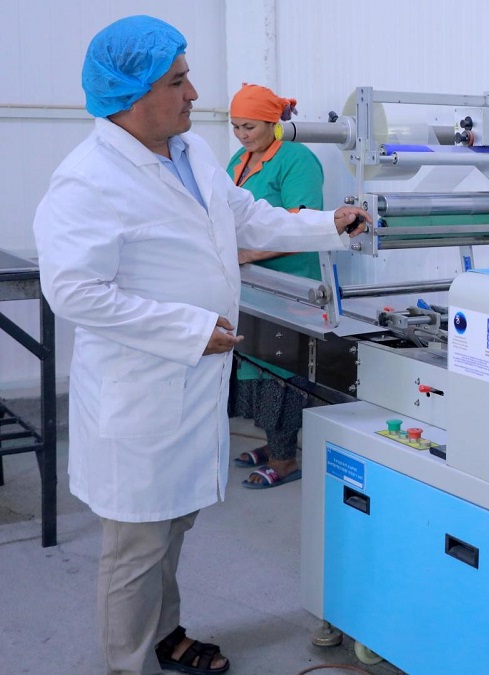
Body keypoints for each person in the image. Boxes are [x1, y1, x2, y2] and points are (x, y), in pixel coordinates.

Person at [32, 16, 369, 675]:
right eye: (178, 81)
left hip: (188, 388)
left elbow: (248, 216)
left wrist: (331, 223)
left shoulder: (188, 155)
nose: (193, 94)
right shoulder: (88, 180)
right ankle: (125, 662)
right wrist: (186, 329)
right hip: (142, 392)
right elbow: (74, 292)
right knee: (136, 544)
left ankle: (167, 634)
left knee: (172, 525)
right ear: (132, 96)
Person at [225, 83, 324, 489]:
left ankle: (285, 459)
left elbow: (303, 222)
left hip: (290, 284)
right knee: (253, 365)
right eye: (236, 127)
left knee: (280, 372)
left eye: (249, 126)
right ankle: (271, 443)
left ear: (272, 122)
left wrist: (246, 254)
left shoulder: (298, 160)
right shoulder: (240, 160)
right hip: (250, 285)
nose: (242, 135)